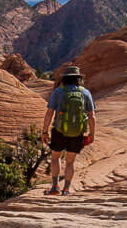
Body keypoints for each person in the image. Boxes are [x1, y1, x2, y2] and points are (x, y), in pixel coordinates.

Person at [41, 65, 95, 196]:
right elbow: (91, 116)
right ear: (78, 79)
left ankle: (54, 187)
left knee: (55, 158)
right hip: (77, 132)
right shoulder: (85, 93)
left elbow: (49, 113)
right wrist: (91, 133)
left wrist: (44, 131)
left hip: (59, 130)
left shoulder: (58, 92)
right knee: (70, 161)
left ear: (65, 79)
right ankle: (66, 189)